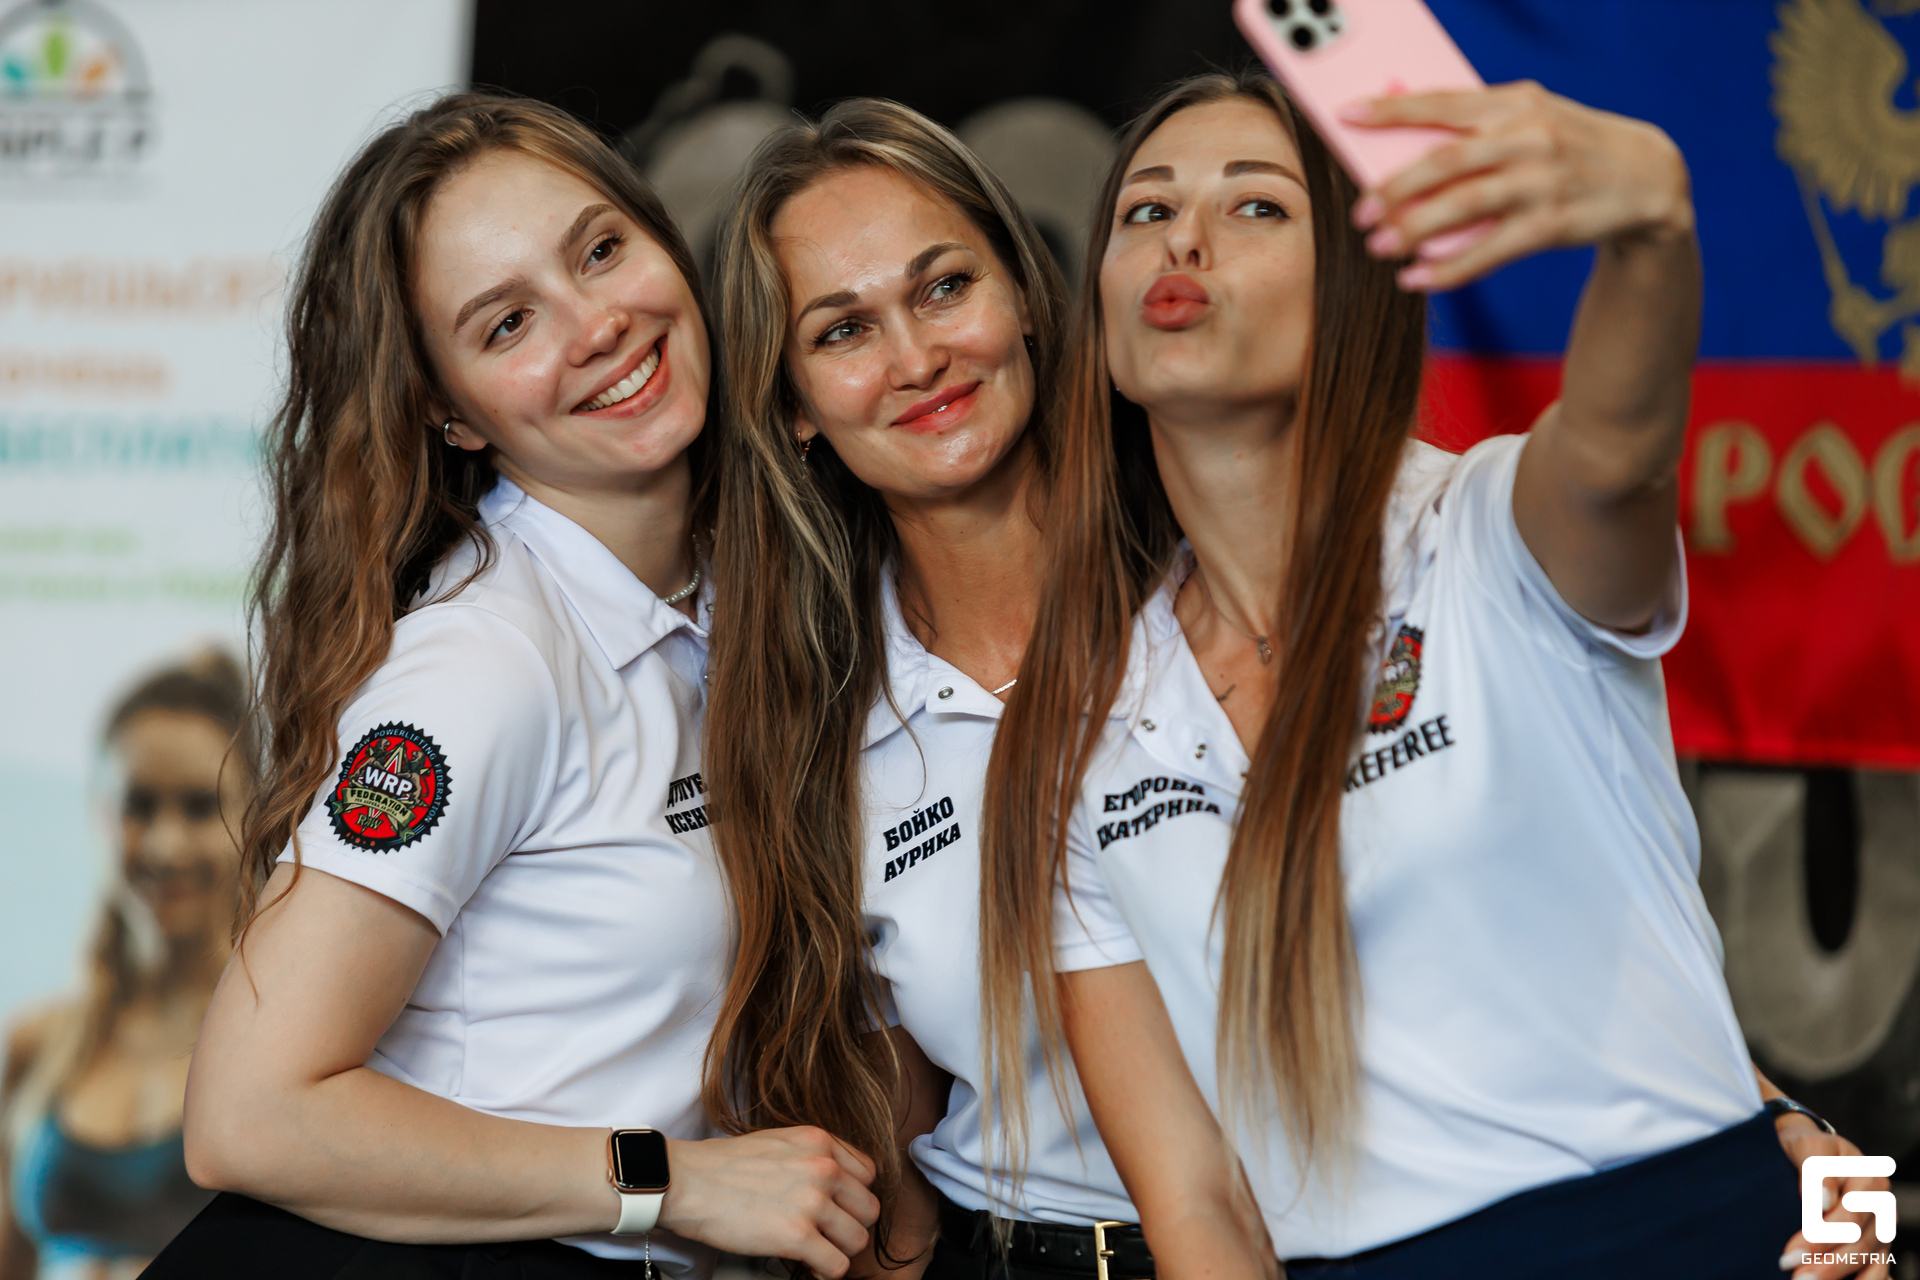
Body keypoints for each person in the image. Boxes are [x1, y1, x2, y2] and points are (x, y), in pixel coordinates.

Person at [980, 71, 1891, 1280]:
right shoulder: (1079, 722)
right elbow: (1197, 1200)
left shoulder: (1491, 528)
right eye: (1146, 210)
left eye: (1257, 206)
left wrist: (1652, 228)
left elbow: (1616, 450)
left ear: (1358, 287)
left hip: (1689, 1231)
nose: (1182, 240)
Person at [143, 91, 877, 1280]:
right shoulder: (484, 664)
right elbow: (248, 1114)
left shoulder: (731, 597)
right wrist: (674, 1179)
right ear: (449, 412)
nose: (598, 325)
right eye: (508, 323)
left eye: (601, 250)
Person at [701, 99, 1149, 1280]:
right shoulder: (816, 719)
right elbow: (887, 1119)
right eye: (844, 330)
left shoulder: (1211, 587)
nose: (916, 359)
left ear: (1026, 292)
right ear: (793, 406)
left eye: (944, 287)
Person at [1, 652, 248, 1280]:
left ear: (252, 816)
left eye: (200, 806)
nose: (166, 845)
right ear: (100, 816)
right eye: (139, 806)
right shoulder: (37, 1045)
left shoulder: (275, 1045)